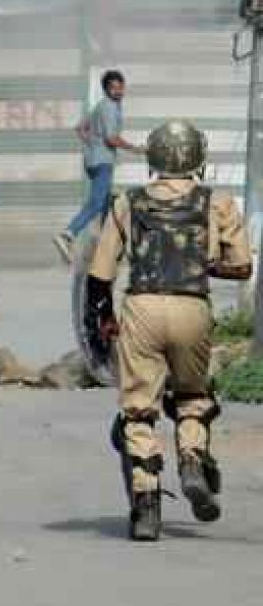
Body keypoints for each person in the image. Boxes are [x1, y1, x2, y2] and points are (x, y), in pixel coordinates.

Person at [85, 119, 252, 542]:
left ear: (153, 159)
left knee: (139, 408)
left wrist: (101, 320)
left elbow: (99, 272)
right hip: (192, 305)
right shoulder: (217, 203)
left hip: (141, 306)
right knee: (193, 396)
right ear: (198, 158)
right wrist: (205, 263)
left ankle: (145, 506)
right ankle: (193, 460)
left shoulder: (129, 202)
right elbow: (243, 265)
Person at [55, 70, 144, 263]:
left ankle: (108, 247)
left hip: (93, 161)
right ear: (107, 90)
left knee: (105, 205)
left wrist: (92, 144)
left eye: (121, 87)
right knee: (96, 203)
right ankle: (68, 234)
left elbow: (80, 128)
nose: (118, 91)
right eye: (114, 88)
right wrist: (136, 149)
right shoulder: (110, 108)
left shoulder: (100, 106)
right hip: (103, 162)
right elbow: (112, 139)